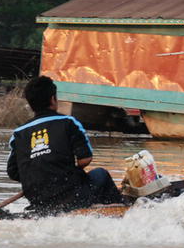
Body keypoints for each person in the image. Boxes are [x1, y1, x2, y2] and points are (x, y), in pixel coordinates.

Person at [7, 76, 122, 214]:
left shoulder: (18, 134)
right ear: (53, 99)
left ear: (31, 104)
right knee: (100, 174)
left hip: (39, 200)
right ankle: (120, 209)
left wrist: (40, 176)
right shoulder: (68, 122)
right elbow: (85, 159)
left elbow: (13, 173)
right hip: (72, 196)